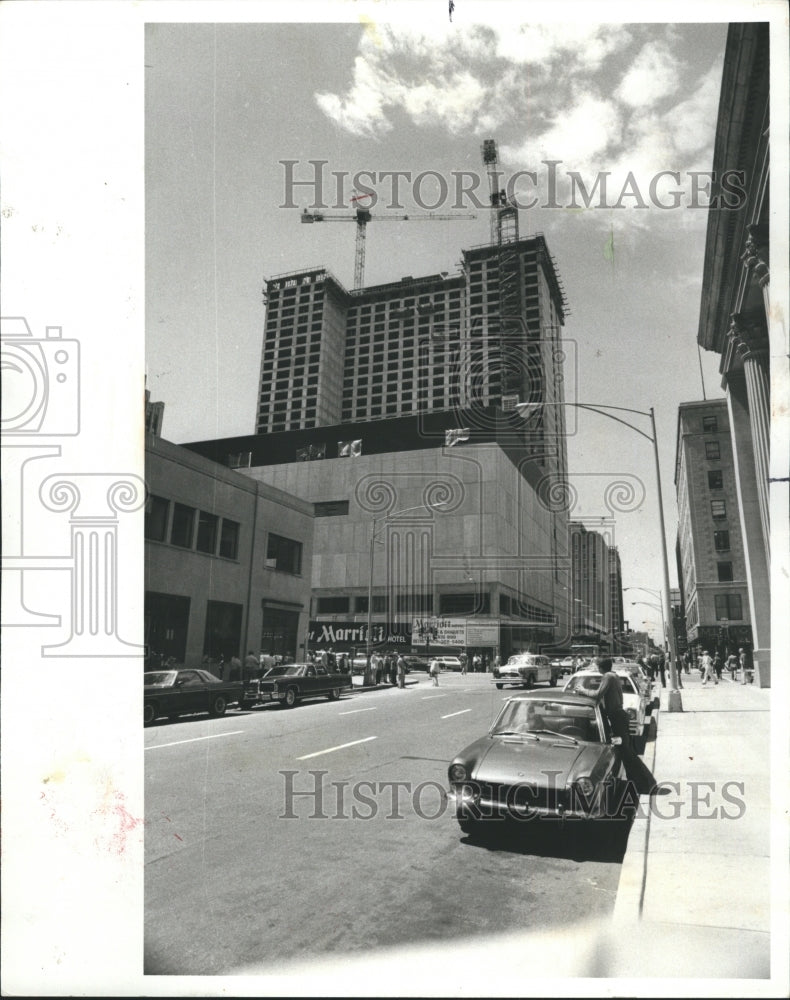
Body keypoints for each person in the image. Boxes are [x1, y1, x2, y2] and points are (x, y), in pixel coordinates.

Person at [593, 657, 657, 794]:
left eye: (597, 666)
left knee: (627, 753)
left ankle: (647, 783)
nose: (596, 668)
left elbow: (597, 695)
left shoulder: (608, 677)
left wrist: (582, 690)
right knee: (626, 752)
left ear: (601, 667)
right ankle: (641, 783)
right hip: (619, 718)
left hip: (617, 718)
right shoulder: (614, 676)